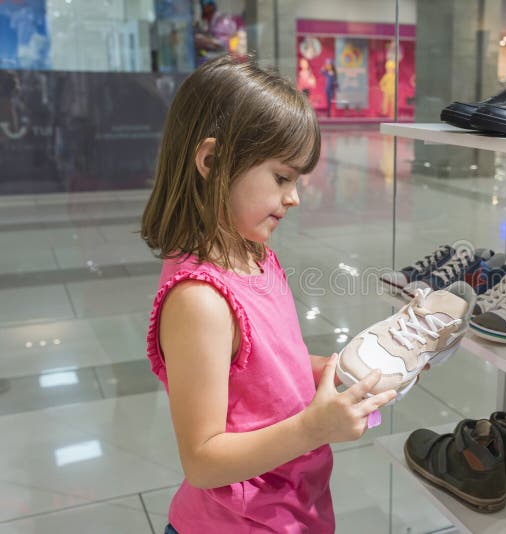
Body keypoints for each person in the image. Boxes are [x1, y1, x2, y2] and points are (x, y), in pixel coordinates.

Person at [140, 56, 396, 533]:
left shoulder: (253, 251)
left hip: (292, 509)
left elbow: (261, 367)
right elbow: (202, 461)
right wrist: (315, 427)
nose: (294, 197)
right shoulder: (200, 298)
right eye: (281, 178)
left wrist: (332, 370)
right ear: (212, 161)